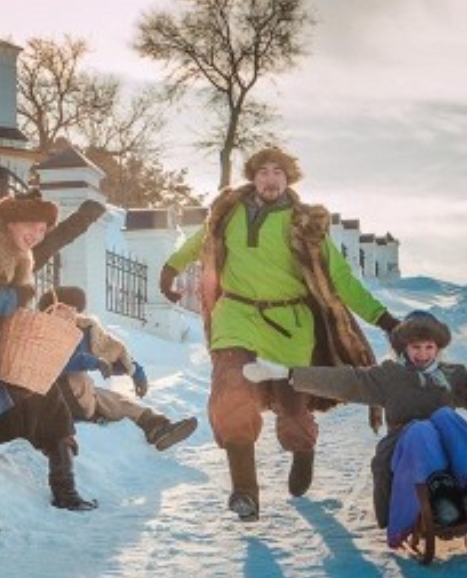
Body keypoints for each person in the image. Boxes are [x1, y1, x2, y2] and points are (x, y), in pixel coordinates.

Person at [157, 145, 403, 522]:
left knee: (292, 406)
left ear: (288, 179)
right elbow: (202, 242)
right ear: (253, 177)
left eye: (278, 172)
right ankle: (245, 492)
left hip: (289, 326)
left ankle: (302, 450)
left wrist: (385, 320)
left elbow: (340, 281)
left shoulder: (305, 224)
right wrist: (170, 268)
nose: (270, 179)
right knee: (231, 390)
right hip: (235, 316)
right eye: (264, 172)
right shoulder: (228, 212)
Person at [243, 311, 467, 547]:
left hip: (448, 448)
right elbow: (345, 381)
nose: (423, 354)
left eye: (429, 347)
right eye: (416, 347)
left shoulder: (453, 376)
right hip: (406, 450)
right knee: (420, 430)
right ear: (404, 348)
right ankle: (441, 500)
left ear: (438, 348)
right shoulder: (389, 376)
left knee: (445, 418)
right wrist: (287, 373)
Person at [0, 193, 99, 511]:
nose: (37, 234)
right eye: (31, 226)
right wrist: (13, 298)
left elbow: (52, 242)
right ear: (11, 222)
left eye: (41, 228)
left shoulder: (16, 250)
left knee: (43, 391)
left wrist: (85, 217)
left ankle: (64, 486)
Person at [39, 285, 199, 450]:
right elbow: (58, 361)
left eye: (74, 309)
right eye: (63, 308)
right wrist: (92, 361)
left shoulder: (84, 329)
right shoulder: (40, 333)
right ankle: (99, 414)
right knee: (80, 379)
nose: (70, 313)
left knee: (115, 399)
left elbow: (110, 353)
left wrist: (135, 371)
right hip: (51, 398)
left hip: (79, 397)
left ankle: (157, 427)